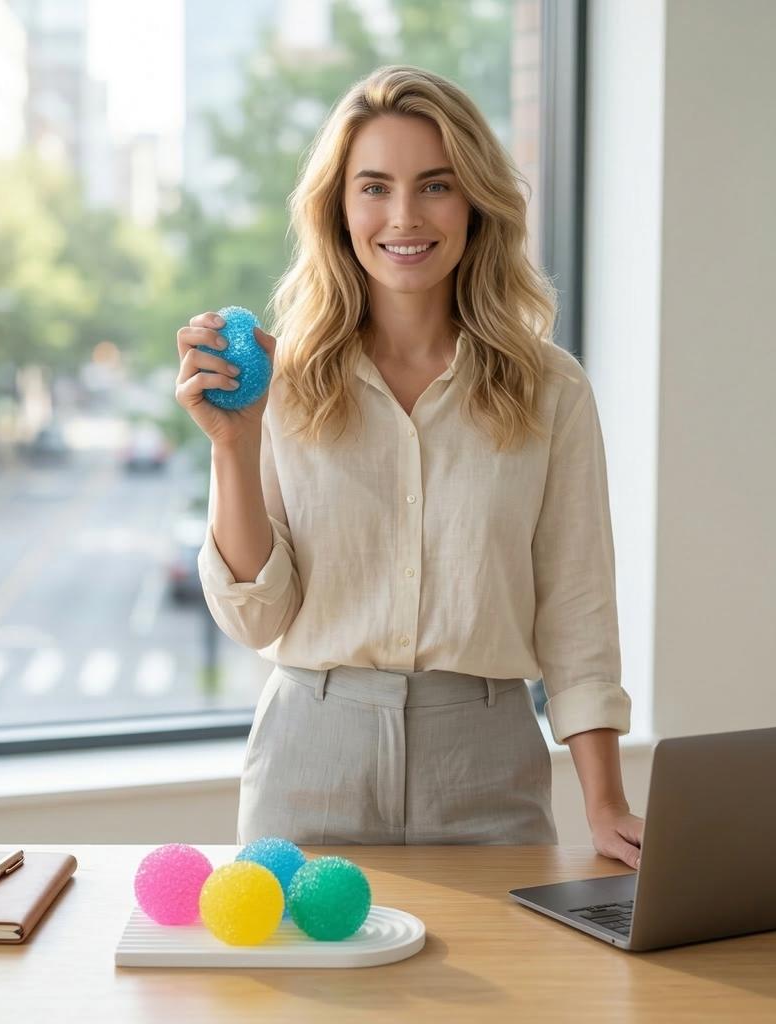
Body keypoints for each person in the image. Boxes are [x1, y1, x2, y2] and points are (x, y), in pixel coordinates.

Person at [175, 65, 644, 864]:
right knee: (304, 993)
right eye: (374, 187)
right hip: (310, 758)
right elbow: (257, 615)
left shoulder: (551, 388)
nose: (403, 216)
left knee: (514, 989)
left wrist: (606, 804)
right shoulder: (280, 382)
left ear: (474, 204)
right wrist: (234, 444)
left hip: (488, 761)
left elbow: (577, 610)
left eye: (434, 185)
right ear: (339, 207)